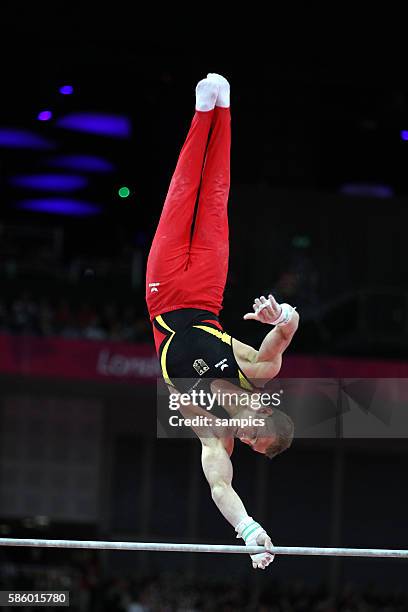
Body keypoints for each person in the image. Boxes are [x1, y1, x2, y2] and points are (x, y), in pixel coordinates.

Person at [146, 74, 299, 569]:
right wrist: (284, 315)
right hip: (207, 295)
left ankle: (201, 112)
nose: (249, 438)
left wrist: (247, 526)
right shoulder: (258, 373)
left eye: (253, 445)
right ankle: (222, 109)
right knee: (213, 198)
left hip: (164, 296)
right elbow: (280, 339)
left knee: (179, 195)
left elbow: (217, 482)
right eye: (259, 431)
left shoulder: (215, 430)